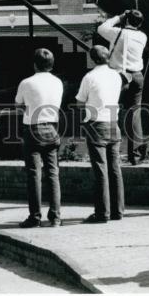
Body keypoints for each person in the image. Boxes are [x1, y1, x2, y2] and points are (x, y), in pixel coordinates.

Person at [15, 48, 64, 228]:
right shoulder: (58, 82)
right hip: (52, 127)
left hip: (33, 128)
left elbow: (18, 104)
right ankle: (56, 217)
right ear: (51, 65)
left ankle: (35, 217)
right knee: (53, 173)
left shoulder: (26, 83)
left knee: (34, 174)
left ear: (34, 64)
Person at [76, 45, 125, 223]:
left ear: (92, 59)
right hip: (114, 123)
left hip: (96, 124)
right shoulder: (116, 76)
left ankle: (102, 213)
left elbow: (80, 102)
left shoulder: (89, 77)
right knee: (115, 168)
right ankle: (118, 211)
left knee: (100, 170)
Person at [97, 10, 147, 163]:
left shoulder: (117, 32)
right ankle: (136, 154)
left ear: (126, 20)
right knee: (135, 112)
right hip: (137, 75)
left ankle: (108, 148)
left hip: (119, 76)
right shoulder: (143, 36)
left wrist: (119, 17)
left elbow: (101, 28)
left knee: (109, 109)